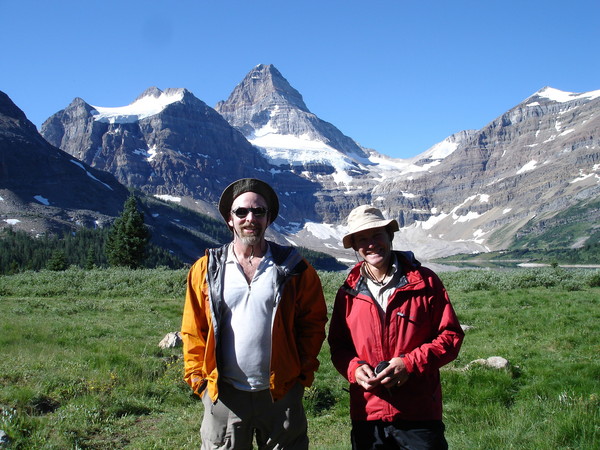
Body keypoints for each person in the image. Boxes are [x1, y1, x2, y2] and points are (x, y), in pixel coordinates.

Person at [181, 178, 328, 449]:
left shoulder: (294, 267)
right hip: (224, 395)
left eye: (259, 211)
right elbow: (193, 330)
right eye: (242, 212)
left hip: (281, 394)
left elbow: (314, 322)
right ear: (230, 219)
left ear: (268, 218)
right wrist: (199, 382)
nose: (251, 218)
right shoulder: (205, 268)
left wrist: (301, 374)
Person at [328, 205, 464, 449]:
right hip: (367, 413)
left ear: (389, 236)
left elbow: (451, 336)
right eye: (362, 239)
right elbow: (339, 346)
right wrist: (355, 369)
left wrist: (409, 364)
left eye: (377, 235)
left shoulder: (425, 281)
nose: (371, 244)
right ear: (355, 247)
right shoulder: (347, 292)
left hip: (419, 413)